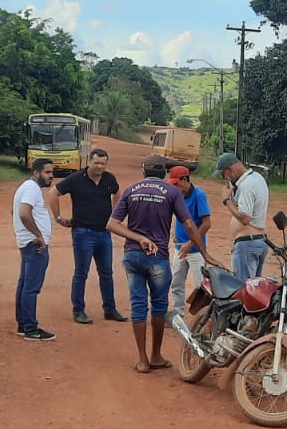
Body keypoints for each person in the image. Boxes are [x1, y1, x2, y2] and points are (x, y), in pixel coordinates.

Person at [108, 155, 220, 374]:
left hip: (132, 256)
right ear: (164, 174)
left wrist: (137, 237)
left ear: (143, 172)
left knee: (138, 305)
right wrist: (204, 252)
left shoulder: (131, 190)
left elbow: (111, 224)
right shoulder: (172, 192)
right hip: (157, 256)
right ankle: (156, 356)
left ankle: (142, 360)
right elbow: (189, 223)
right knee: (159, 306)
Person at [45, 148, 129, 325]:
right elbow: (53, 193)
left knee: (106, 272)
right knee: (81, 273)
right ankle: (78, 310)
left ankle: (110, 309)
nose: (99, 166)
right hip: (83, 232)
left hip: (104, 233)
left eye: (103, 163)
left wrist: (115, 215)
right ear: (89, 162)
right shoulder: (76, 179)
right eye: (96, 162)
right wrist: (58, 218)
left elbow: (117, 193)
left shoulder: (109, 179)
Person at [13, 159, 57, 341]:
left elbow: (16, 213)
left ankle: (24, 325)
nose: (51, 176)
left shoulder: (26, 187)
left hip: (28, 243)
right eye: (47, 172)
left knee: (24, 285)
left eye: (52, 173)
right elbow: (24, 213)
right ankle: (31, 328)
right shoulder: (31, 188)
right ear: (36, 173)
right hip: (34, 246)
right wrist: (38, 235)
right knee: (31, 288)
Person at [165, 164, 212, 321]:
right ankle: (178, 315)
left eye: (176, 184)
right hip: (180, 248)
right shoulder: (177, 196)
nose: (175, 187)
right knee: (176, 283)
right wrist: (174, 232)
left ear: (185, 180)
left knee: (202, 287)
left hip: (196, 250)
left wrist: (191, 243)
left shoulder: (199, 195)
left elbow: (206, 223)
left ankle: (203, 318)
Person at [216, 152, 271, 278]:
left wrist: (226, 200)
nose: (224, 178)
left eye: (223, 174)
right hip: (257, 241)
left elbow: (245, 218)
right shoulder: (256, 178)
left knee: (243, 291)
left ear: (229, 170)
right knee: (253, 290)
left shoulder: (246, 185)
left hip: (247, 244)